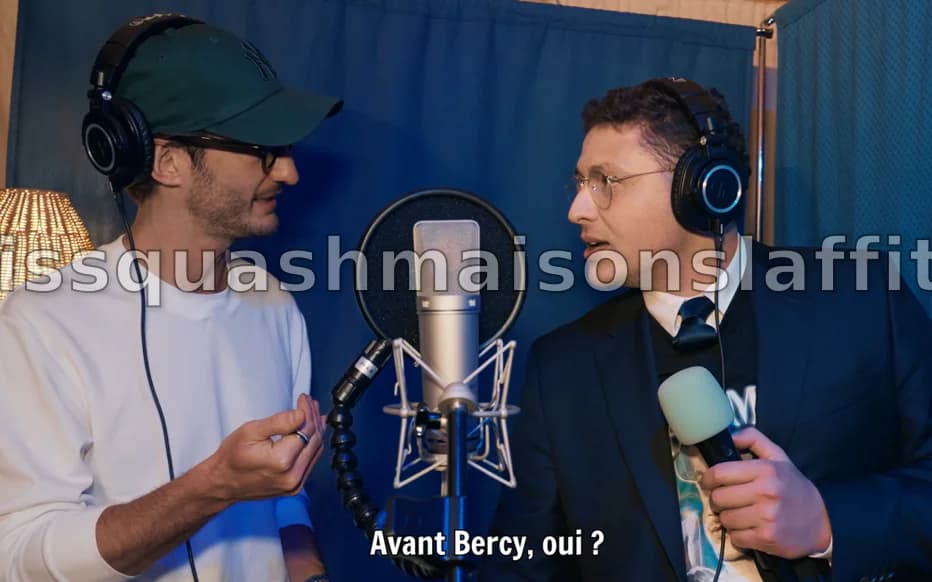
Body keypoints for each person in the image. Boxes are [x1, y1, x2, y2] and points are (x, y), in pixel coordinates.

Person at [482, 78, 932, 581]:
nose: (577, 210)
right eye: (580, 184)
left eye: (605, 182)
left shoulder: (863, 303)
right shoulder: (562, 368)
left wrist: (829, 521)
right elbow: (520, 565)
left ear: (705, 186)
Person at [0, 15, 342, 582]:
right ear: (167, 161)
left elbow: (282, 498)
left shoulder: (273, 303)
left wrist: (306, 568)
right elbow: (20, 557)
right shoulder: (41, 326)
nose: (289, 171)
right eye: (263, 150)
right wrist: (211, 487)